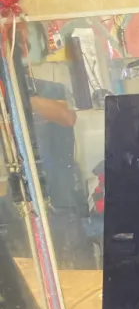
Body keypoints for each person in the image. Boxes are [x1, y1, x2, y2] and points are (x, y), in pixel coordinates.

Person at [28, 78, 94, 269]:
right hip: (22, 193)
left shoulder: (50, 89)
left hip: (59, 189)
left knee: (73, 253)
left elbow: (68, 117)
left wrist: (22, 98)